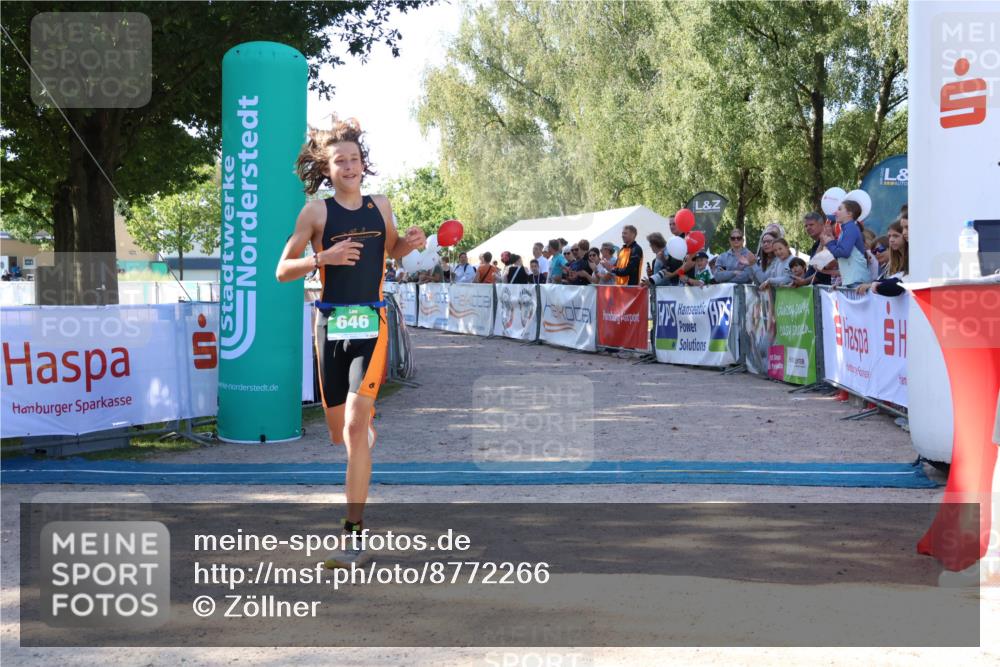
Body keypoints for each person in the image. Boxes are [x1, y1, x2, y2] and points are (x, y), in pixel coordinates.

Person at [276, 117, 425, 568]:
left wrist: (411, 243)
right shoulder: (316, 213)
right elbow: (282, 270)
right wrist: (323, 257)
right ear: (327, 167)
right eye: (339, 161)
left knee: (355, 429)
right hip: (330, 326)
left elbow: (392, 250)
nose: (349, 166)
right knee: (340, 433)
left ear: (363, 163)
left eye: (354, 159)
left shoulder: (381, 205)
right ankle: (361, 433)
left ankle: (353, 537)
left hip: (372, 323)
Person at [821, 200, 869, 288]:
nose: (835, 212)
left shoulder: (850, 228)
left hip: (856, 280)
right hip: (852, 280)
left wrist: (830, 243)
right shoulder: (847, 228)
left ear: (849, 214)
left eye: (839, 209)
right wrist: (832, 240)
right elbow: (841, 253)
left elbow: (844, 252)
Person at [857, 221, 908, 296]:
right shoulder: (892, 263)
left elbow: (900, 283)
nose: (891, 240)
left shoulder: (912, 258)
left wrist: (874, 285)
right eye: (889, 236)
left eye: (896, 236)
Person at [799, 211, 836, 287]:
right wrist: (800, 281)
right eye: (806, 226)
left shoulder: (829, 242)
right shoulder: (816, 244)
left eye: (811, 224)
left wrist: (804, 281)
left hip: (827, 290)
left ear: (822, 225)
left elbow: (821, 271)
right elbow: (813, 269)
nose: (808, 228)